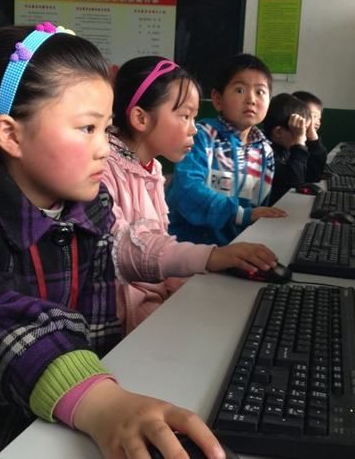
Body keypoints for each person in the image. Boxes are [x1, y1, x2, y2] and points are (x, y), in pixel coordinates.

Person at [0, 24, 227, 459]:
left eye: (106, 128)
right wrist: (101, 402)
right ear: (11, 134)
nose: (105, 148)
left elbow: (96, 326)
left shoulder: (90, 205)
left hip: (49, 425)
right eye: (87, 128)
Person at [102, 56, 279, 333]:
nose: (193, 128)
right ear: (141, 118)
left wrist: (188, 281)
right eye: (185, 116)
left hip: (154, 303)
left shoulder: (151, 167)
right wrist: (210, 257)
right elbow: (129, 252)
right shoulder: (104, 169)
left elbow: (157, 253)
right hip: (122, 326)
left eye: (194, 117)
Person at [166, 53, 286, 246]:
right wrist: (241, 214)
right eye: (240, 90)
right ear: (218, 99)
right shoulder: (201, 137)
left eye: (260, 92)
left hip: (238, 246)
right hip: (191, 248)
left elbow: (260, 208)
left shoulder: (265, 150)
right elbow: (186, 190)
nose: (251, 99)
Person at [263, 93, 328, 204]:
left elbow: (312, 176)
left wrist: (313, 139)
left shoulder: (284, 148)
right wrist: (299, 143)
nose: (304, 137)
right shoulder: (267, 153)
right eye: (301, 131)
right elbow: (294, 185)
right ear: (279, 132)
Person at [292, 90, 327, 179]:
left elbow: (314, 175)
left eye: (319, 118)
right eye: (314, 116)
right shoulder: (287, 140)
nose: (318, 123)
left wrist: (314, 141)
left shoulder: (309, 141)